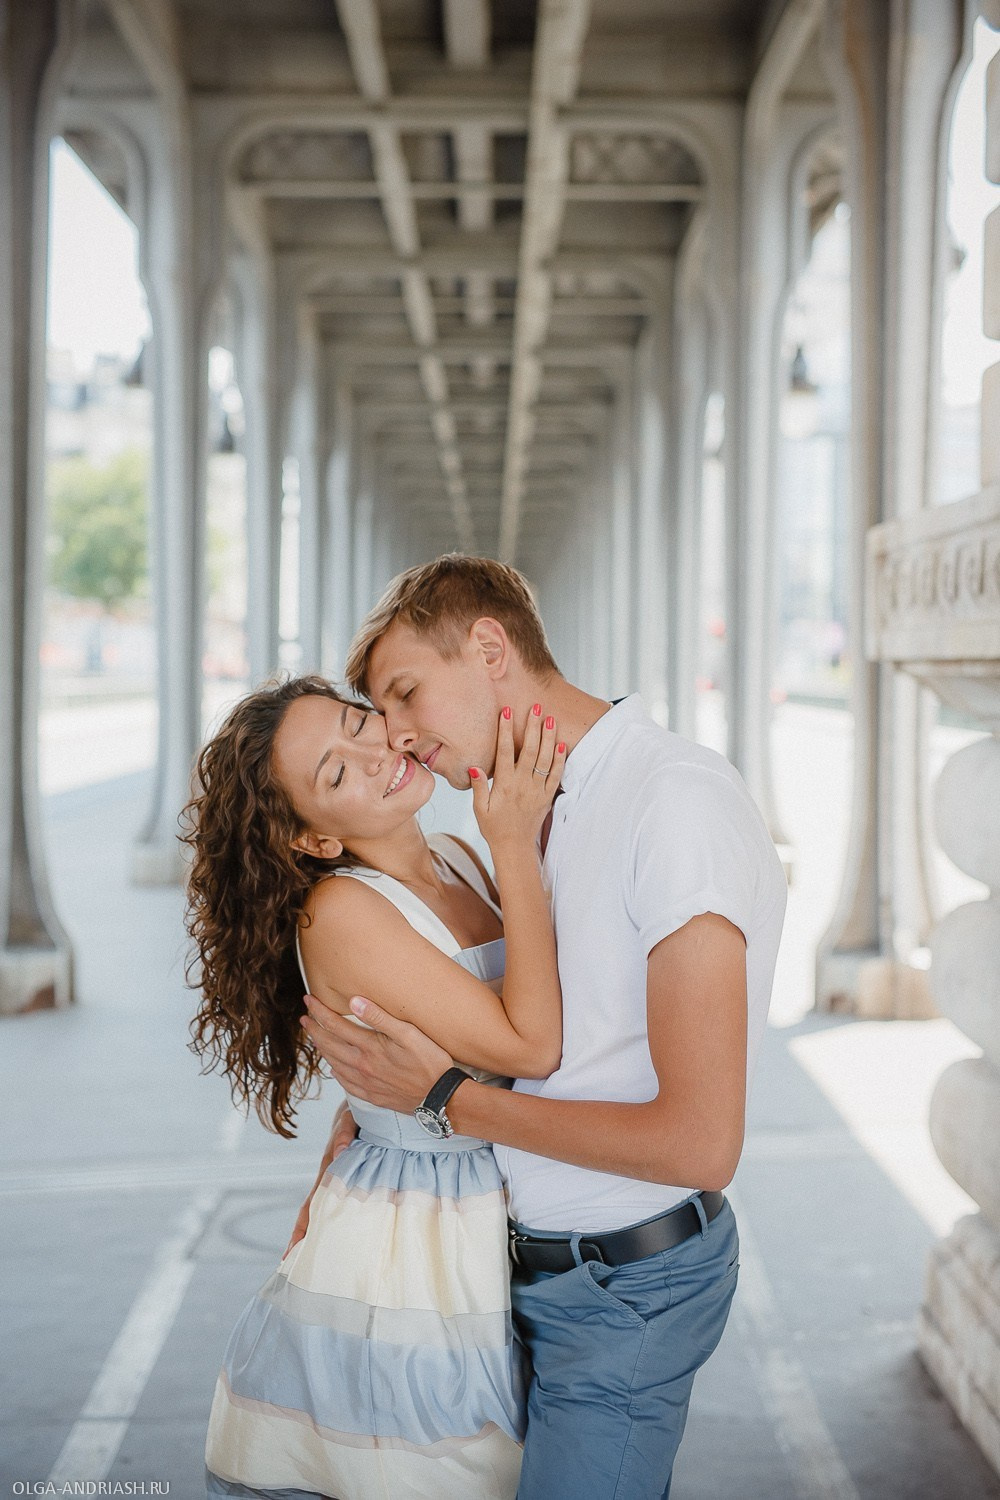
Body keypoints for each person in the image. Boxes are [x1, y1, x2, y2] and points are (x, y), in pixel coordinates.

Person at [300, 554, 789, 1500]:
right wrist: (370, 1119)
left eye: (406, 695)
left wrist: (445, 1099)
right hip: (518, 1277)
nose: (398, 739)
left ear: (490, 648)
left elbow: (699, 1143)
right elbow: (495, 1012)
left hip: (625, 1285)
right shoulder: (524, 814)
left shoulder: (670, 803)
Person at [183, 674, 568, 1499]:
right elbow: (530, 1045)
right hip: (418, 1238)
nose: (377, 751)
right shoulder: (341, 911)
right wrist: (516, 841)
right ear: (317, 840)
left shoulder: (459, 859)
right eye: (336, 773)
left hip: (502, 1197)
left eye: (362, 723)